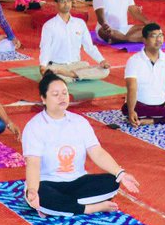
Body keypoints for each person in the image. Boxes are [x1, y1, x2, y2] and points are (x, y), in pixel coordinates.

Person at [23, 73, 140, 216]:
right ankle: (91, 207)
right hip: (48, 183)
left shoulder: (80, 122)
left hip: (78, 181)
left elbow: (97, 152)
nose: (62, 97)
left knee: (112, 182)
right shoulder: (34, 126)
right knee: (42, 196)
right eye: (55, 94)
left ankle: (60, 208)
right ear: (43, 99)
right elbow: (33, 163)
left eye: (65, 93)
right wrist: (33, 190)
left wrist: (120, 173)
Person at [38, 0, 109, 81]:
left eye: (68, 1)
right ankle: (75, 76)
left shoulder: (80, 23)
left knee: (105, 71)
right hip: (57, 66)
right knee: (50, 76)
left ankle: (70, 76)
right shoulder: (49, 25)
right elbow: (45, 48)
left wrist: (102, 60)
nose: (66, 4)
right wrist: (43, 66)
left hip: (77, 65)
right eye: (62, 1)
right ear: (56, 4)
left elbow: (89, 47)